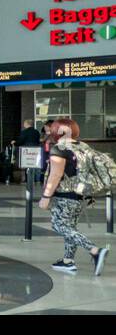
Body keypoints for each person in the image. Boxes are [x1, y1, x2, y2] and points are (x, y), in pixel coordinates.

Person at [38, 118, 110, 276]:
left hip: (65, 195)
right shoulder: (83, 146)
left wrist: (45, 196)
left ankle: (95, 250)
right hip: (81, 194)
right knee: (70, 228)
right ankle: (68, 261)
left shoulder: (59, 148)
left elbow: (55, 175)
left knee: (59, 226)